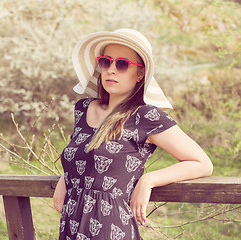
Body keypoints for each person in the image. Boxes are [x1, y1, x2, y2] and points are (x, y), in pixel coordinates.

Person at [53, 28, 213, 240]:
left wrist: (149, 180)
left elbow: (202, 163)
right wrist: (66, 178)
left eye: (122, 64)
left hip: (110, 228)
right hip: (71, 225)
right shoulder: (84, 108)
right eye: (105, 62)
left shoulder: (145, 117)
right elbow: (84, 154)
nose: (111, 70)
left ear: (140, 73)